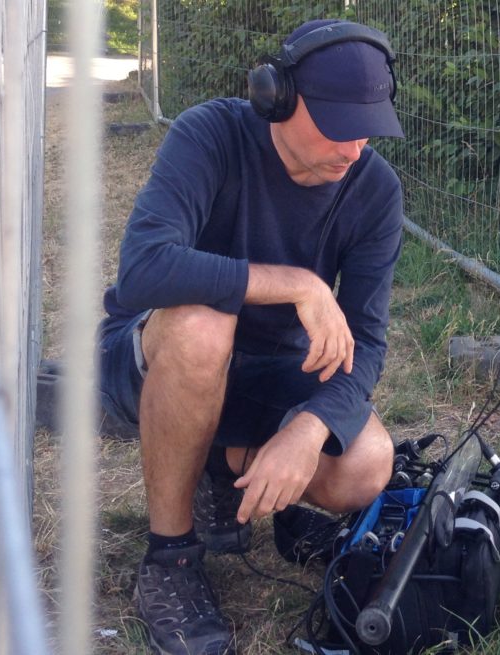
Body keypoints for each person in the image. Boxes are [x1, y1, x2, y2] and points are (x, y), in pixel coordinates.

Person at [97, 18, 404, 655]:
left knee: (367, 465)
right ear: (277, 97)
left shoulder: (374, 190)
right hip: (162, 356)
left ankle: (214, 464)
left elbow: (367, 344)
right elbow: (142, 267)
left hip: (268, 371)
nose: (353, 151)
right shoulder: (209, 134)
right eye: (338, 125)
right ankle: (170, 561)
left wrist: (309, 427)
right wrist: (296, 283)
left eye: (367, 129)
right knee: (205, 324)